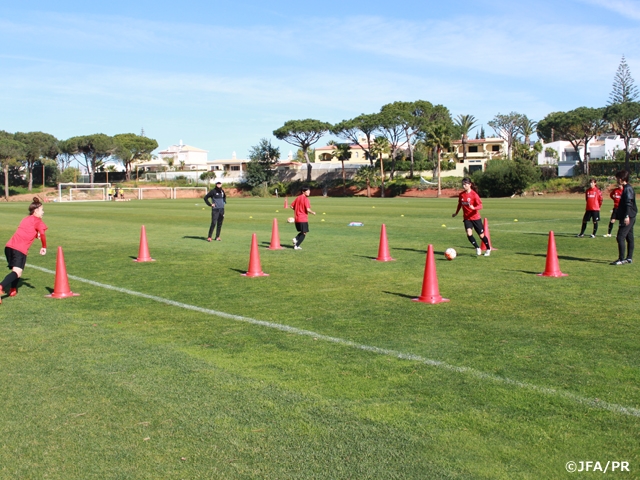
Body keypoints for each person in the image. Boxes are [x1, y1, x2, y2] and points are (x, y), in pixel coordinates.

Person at [0, 197, 47, 304]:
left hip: (8, 247)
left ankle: (13, 290)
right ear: (36, 211)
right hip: (19, 249)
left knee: (17, 271)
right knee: (17, 271)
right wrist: (44, 247)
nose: (43, 212)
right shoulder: (38, 221)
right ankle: (1, 286)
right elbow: (43, 234)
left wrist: (36, 235)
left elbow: (27, 231)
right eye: (42, 210)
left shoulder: (26, 219)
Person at [452, 177, 491, 256]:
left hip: (476, 218)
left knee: (481, 236)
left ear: (470, 184)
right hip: (467, 218)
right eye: (463, 184)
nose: (464, 186)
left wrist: (474, 208)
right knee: (469, 234)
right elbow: (459, 204)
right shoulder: (461, 195)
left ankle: (488, 248)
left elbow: (480, 206)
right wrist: (456, 213)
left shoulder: (474, 195)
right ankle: (477, 248)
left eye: (465, 184)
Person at [611, 170, 637, 265]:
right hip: (630, 215)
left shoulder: (627, 189)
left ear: (621, 179)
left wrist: (626, 216)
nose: (617, 180)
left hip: (628, 216)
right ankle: (629, 258)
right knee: (629, 237)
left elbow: (628, 203)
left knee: (620, 237)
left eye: (618, 178)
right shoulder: (626, 188)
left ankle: (621, 259)